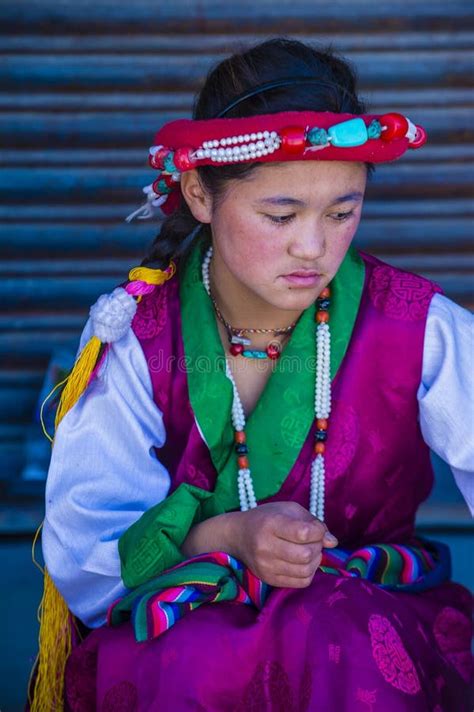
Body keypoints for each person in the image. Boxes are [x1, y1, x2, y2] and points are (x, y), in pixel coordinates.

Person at [34, 38, 472, 711]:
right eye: (280, 214)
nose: (313, 246)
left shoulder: (419, 326)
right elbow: (90, 544)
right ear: (199, 195)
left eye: (342, 211)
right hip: (189, 621)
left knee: (341, 633)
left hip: (371, 615)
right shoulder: (134, 339)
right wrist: (230, 537)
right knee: (194, 661)